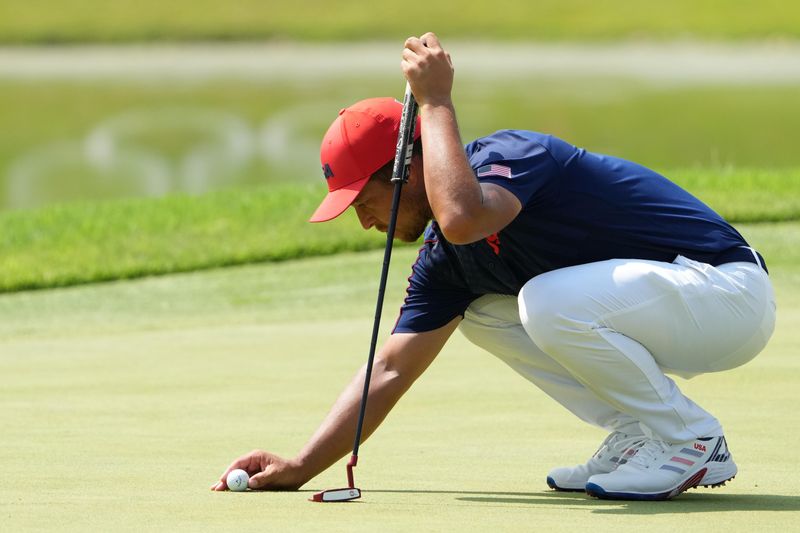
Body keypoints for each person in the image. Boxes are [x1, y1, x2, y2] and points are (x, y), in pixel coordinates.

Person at [211, 33, 776, 500]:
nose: (364, 223)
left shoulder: (510, 156)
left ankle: (689, 438)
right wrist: (301, 465)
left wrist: (435, 101)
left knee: (543, 302)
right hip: (677, 309)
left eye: (365, 201)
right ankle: (639, 431)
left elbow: (463, 217)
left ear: (406, 169)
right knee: (484, 313)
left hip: (726, 292)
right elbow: (389, 370)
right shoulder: (445, 260)